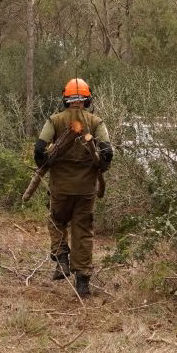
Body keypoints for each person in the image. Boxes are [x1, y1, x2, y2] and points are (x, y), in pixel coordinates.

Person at [34, 78, 113, 296]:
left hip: (60, 188)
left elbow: (39, 149)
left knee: (56, 220)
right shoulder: (96, 122)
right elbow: (107, 152)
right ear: (87, 99)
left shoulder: (54, 120)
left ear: (65, 99)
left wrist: (44, 165)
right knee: (83, 231)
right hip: (86, 190)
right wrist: (101, 167)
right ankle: (83, 283)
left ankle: (61, 259)